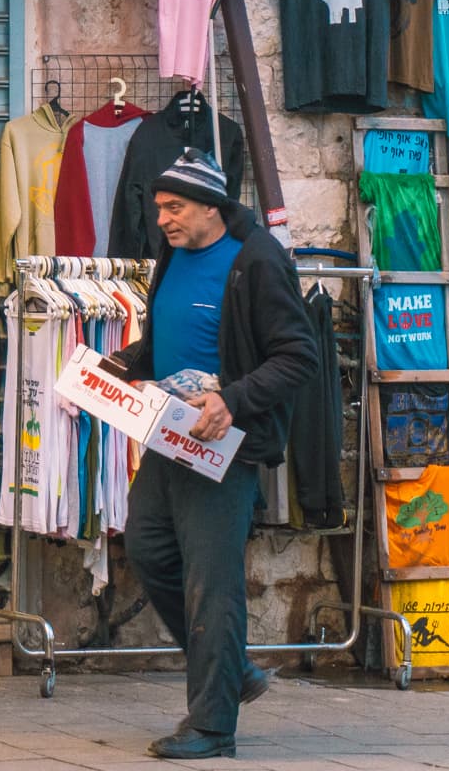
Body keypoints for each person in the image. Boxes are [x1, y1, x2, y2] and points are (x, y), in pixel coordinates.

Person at [107, 149, 318, 760]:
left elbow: (298, 356)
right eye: (159, 208)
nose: (162, 219)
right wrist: (125, 365)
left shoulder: (256, 260)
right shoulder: (172, 255)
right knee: (147, 548)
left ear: (211, 207)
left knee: (212, 583)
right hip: (168, 435)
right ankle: (232, 669)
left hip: (222, 447)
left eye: (174, 208)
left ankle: (211, 727)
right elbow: (173, 336)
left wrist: (232, 400)